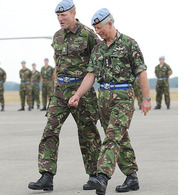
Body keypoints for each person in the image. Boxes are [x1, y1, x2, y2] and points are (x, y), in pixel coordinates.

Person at [69, 8, 151, 195]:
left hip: (123, 97)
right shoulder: (98, 48)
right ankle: (132, 177)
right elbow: (91, 75)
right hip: (104, 99)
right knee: (119, 137)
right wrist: (78, 94)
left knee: (112, 137)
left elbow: (141, 72)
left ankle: (102, 177)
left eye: (100, 28)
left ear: (111, 24)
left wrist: (146, 99)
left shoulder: (129, 44)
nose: (98, 31)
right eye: (95, 28)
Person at [28, 0, 101, 191]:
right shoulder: (57, 36)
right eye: (58, 16)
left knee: (88, 133)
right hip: (60, 92)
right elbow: (58, 63)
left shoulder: (87, 34)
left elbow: (100, 59)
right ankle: (46, 175)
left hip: (82, 91)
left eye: (64, 15)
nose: (60, 19)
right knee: (50, 130)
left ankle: (95, 175)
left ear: (73, 13)